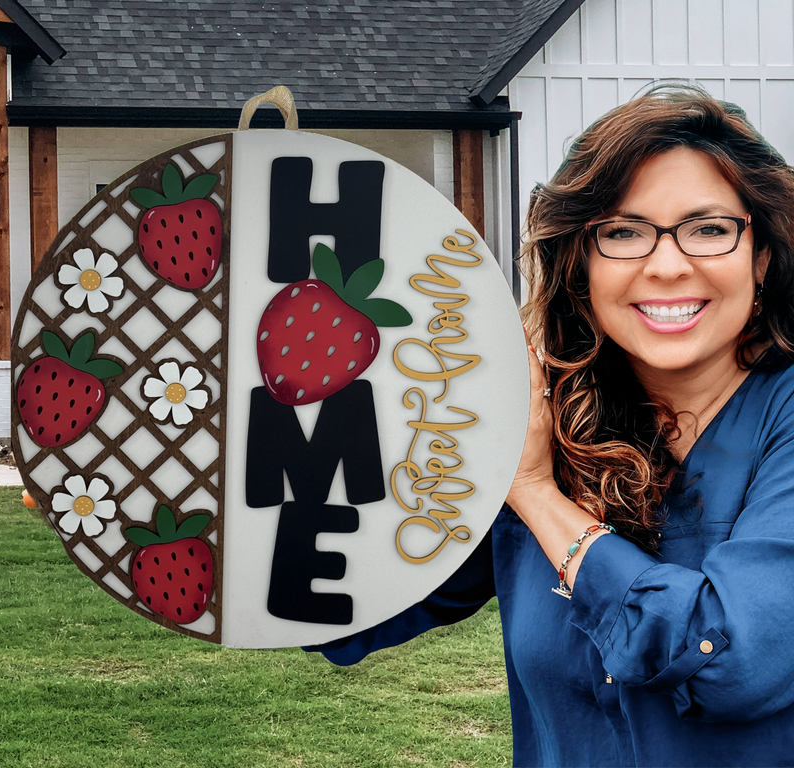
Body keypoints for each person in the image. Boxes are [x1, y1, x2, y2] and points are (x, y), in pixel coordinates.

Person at [308, 84, 794, 767]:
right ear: (581, 267)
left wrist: (537, 494)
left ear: (762, 255)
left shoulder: (781, 423)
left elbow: (733, 661)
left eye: (708, 228)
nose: (666, 265)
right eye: (622, 232)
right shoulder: (544, 421)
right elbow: (354, 599)